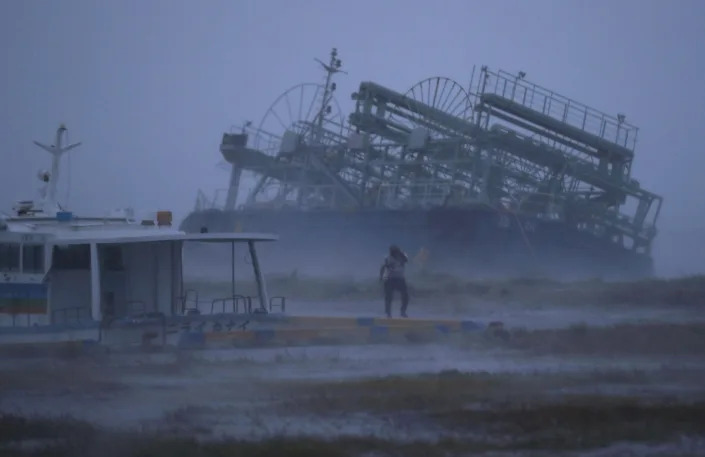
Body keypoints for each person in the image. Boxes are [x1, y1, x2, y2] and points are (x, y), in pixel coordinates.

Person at [379, 245, 410, 318]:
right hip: (390, 279)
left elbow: (407, 260)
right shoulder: (388, 258)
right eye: (393, 252)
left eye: (395, 251)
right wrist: (381, 277)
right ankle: (388, 313)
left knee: (405, 296)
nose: (394, 253)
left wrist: (402, 255)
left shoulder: (402, 257)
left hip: (400, 279)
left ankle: (403, 311)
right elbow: (383, 267)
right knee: (389, 297)